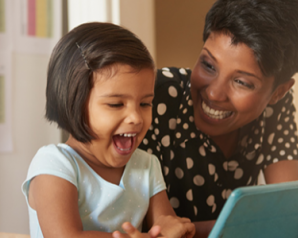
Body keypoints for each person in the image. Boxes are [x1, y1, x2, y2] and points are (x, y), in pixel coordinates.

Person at [138, 0, 298, 237]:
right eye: (208, 65)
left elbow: (293, 216)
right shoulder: (151, 98)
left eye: (242, 82)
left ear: (278, 93)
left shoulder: (275, 108)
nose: (214, 93)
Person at [21, 22, 195, 238]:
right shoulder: (54, 164)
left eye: (145, 104)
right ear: (73, 103)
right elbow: (65, 236)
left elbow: (163, 222)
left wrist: (171, 230)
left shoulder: (147, 166)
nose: (136, 118)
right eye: (116, 104)